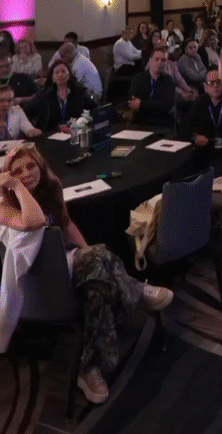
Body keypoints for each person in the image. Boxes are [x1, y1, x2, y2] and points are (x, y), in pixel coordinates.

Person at [0, 145, 173, 405]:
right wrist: (16, 186)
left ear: (40, 165)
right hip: (39, 277)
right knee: (99, 259)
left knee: (98, 281)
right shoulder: (4, 206)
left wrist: (91, 256)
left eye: (31, 166)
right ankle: (137, 289)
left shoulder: (51, 188)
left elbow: (66, 224)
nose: (26, 173)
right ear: (8, 177)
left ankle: (89, 368)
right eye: (18, 171)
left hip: (69, 260)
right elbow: (32, 221)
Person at [25, 60, 95, 132]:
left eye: (63, 71)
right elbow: (26, 111)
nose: (60, 74)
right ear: (52, 77)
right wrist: (32, 129)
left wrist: (84, 124)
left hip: (75, 131)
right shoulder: (44, 95)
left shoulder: (79, 92)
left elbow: (94, 110)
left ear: (69, 75)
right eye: (57, 72)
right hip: (52, 134)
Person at [128, 48, 175, 126]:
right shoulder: (137, 79)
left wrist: (142, 104)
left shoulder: (168, 80)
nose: (160, 62)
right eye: (156, 59)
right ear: (150, 60)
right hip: (141, 121)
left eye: (163, 60)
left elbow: (167, 105)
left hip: (162, 122)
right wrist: (155, 105)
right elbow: (133, 104)